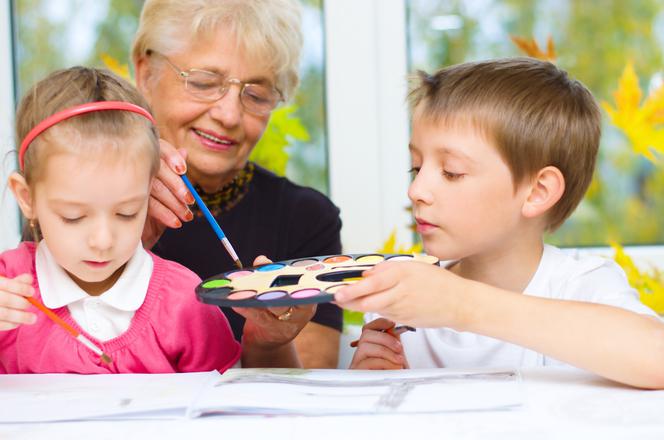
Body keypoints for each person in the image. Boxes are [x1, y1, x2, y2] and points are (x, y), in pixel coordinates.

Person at [335, 58, 664, 389]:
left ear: (537, 192)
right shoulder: (405, 299)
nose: (416, 190)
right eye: (416, 168)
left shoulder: (579, 285)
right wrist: (370, 382)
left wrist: (460, 304)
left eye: (451, 172)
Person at [132, 0, 342, 368]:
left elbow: (305, 398)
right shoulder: (81, 201)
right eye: (203, 82)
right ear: (146, 72)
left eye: (256, 95)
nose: (229, 114)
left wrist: (268, 343)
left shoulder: (306, 219)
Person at [0, 67, 241, 373]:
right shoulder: (8, 288)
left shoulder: (183, 304)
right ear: (27, 197)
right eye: (73, 217)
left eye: (127, 213)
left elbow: (227, 407)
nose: (103, 241)